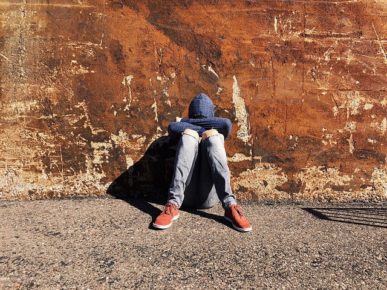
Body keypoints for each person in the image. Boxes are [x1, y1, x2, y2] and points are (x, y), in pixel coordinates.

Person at [152, 93, 252, 232]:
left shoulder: (207, 129)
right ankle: (172, 205)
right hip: (184, 197)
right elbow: (173, 127)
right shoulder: (186, 130)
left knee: (214, 138)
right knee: (189, 136)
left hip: (210, 197)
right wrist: (202, 128)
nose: (201, 120)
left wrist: (189, 124)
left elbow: (226, 124)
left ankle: (230, 206)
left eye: (204, 119)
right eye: (197, 119)